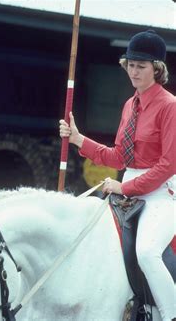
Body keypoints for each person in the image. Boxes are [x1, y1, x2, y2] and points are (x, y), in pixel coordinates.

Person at [59, 30, 175, 321]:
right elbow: (119, 156)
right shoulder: (129, 106)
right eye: (130, 65)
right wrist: (78, 139)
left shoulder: (170, 106)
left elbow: (169, 164)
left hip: (162, 191)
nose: (133, 71)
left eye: (141, 66)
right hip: (128, 184)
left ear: (157, 69)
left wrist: (125, 187)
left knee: (147, 251)